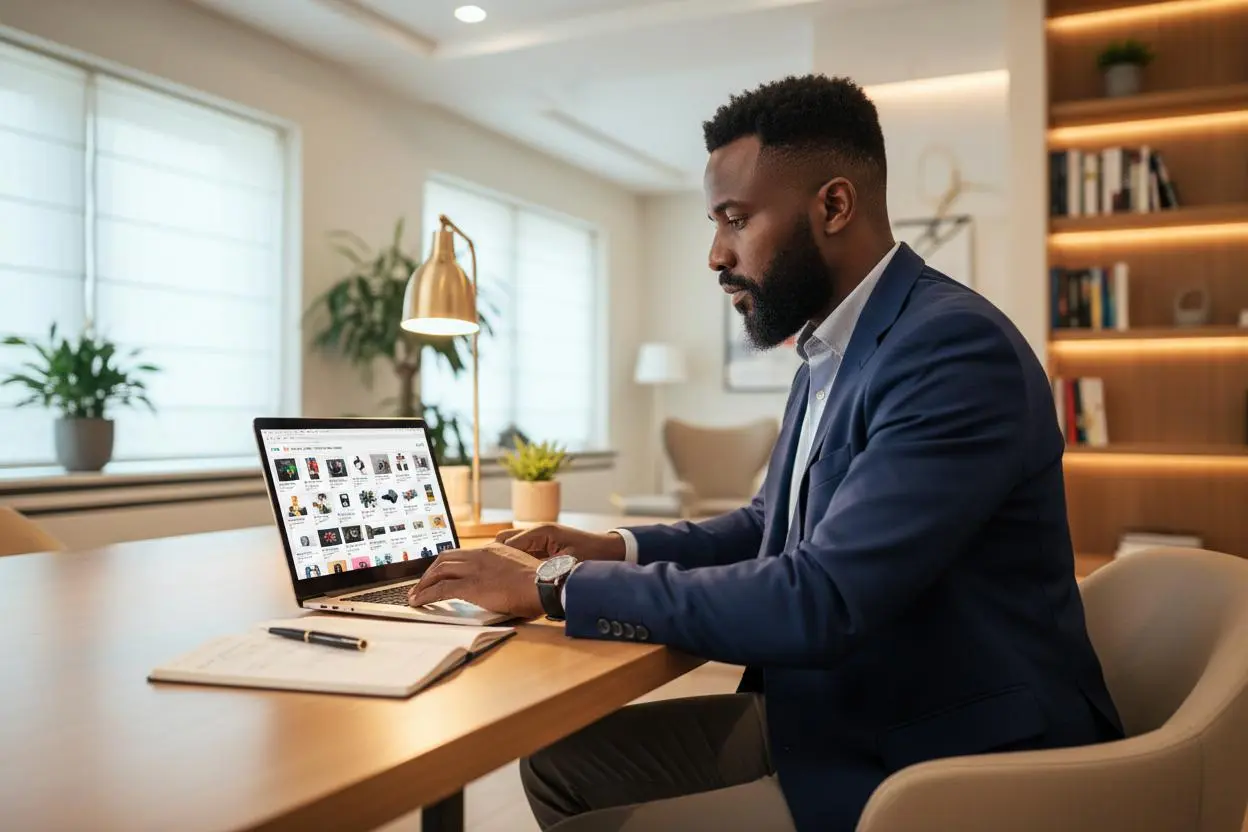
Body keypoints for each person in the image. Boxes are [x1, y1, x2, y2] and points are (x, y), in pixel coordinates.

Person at [407, 74, 1124, 832]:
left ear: (834, 206)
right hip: (836, 712)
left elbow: (822, 598)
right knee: (558, 761)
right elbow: (767, 525)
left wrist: (557, 585)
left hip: (934, 757)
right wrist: (613, 547)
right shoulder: (832, 346)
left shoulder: (950, 349)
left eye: (736, 219)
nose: (716, 253)